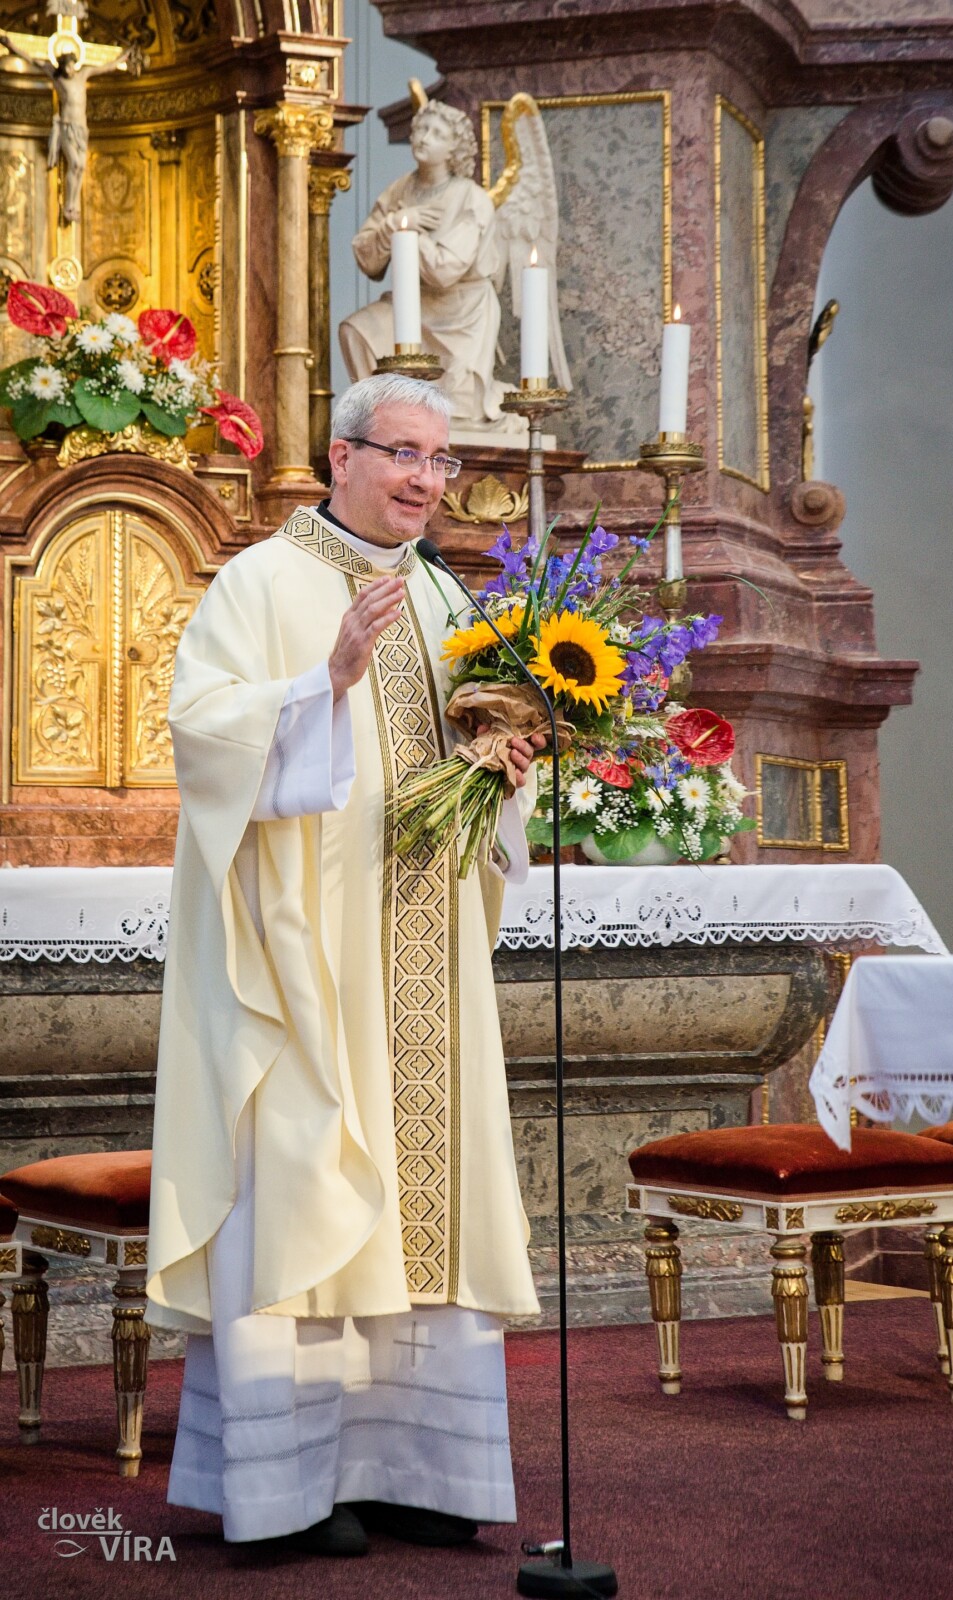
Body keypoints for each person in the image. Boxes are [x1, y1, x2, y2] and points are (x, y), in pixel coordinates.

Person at [146, 374, 543, 1557]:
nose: (427, 478)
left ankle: (417, 1472)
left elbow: (469, 753)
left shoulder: (445, 596)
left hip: (424, 949)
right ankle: (292, 1488)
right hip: (304, 956)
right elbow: (200, 730)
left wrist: (506, 766)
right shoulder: (264, 581)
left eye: (441, 458)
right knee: (307, 1180)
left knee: (428, 1189)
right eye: (404, 453)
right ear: (342, 456)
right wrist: (318, 682)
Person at [339, 100, 522, 433]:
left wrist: (409, 231)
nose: (424, 137)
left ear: (454, 148)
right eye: (421, 128)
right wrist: (394, 223)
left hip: (462, 312)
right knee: (356, 331)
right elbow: (367, 259)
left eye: (437, 133)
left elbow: (445, 271)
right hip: (410, 305)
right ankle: (379, 421)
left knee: (455, 416)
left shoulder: (471, 198)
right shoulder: (400, 189)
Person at [0, 35, 137, 224]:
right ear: (62, 67)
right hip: (66, 127)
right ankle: (69, 206)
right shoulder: (57, 77)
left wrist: (124, 57)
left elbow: (106, 67)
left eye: (72, 66)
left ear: (75, 65)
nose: (70, 70)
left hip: (81, 128)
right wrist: (11, 45)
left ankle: (74, 206)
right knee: (75, 163)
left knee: (81, 166)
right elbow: (32, 60)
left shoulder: (83, 74)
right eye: (66, 67)